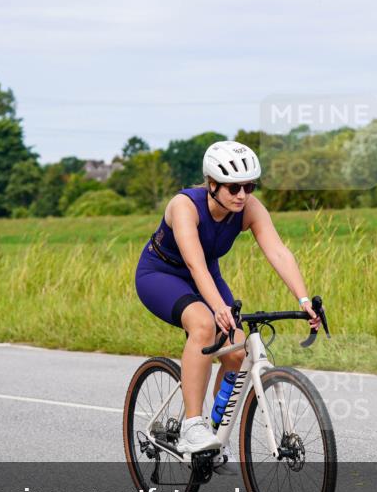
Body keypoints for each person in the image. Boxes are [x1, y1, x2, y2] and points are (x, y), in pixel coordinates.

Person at [134, 140, 321, 471]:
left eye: (249, 186)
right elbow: (195, 266)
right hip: (161, 273)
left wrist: (304, 300)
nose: (242, 194)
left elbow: (278, 251)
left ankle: (213, 436)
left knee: (236, 351)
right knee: (205, 325)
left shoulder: (249, 208)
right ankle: (193, 425)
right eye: (234, 187)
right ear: (212, 183)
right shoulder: (185, 206)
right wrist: (218, 307)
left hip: (206, 274)